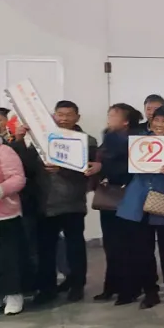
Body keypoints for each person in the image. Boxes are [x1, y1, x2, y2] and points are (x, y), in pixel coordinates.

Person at [116, 106, 164, 308]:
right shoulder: (139, 141)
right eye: (156, 120)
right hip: (137, 202)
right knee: (142, 251)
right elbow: (123, 167)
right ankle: (150, 292)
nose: (159, 124)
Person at [34, 100, 99, 305]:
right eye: (60, 114)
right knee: (45, 248)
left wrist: (62, 168)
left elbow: (87, 170)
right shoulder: (42, 138)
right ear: (54, 115)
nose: (63, 119)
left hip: (72, 201)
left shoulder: (87, 141)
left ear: (77, 117)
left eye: (68, 115)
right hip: (45, 201)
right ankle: (47, 289)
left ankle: (77, 284)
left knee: (75, 246)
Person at [95, 103, 142, 303]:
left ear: (125, 121)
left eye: (113, 115)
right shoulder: (108, 137)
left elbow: (127, 168)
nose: (109, 118)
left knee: (127, 245)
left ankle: (129, 288)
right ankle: (111, 285)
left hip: (128, 195)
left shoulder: (135, 140)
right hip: (109, 195)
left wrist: (103, 168)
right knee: (110, 244)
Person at [0, 140, 28, 315]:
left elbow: (18, 178)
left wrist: (1, 189)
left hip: (5, 215)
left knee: (8, 259)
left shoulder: (4, 151)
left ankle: (13, 294)